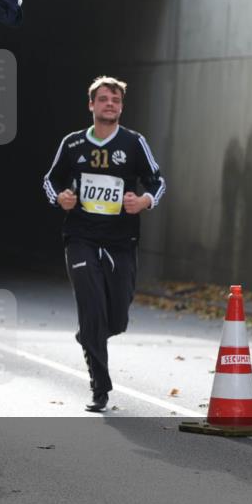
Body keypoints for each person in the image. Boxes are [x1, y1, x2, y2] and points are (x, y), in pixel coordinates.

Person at [42, 76, 167, 412]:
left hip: (121, 239)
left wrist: (144, 201)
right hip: (80, 236)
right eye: (103, 99)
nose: (109, 104)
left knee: (117, 318)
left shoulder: (134, 143)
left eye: (115, 99)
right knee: (92, 307)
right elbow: (50, 181)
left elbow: (157, 182)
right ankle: (100, 388)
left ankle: (91, 334)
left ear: (121, 107)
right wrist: (62, 200)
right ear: (91, 105)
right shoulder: (72, 145)